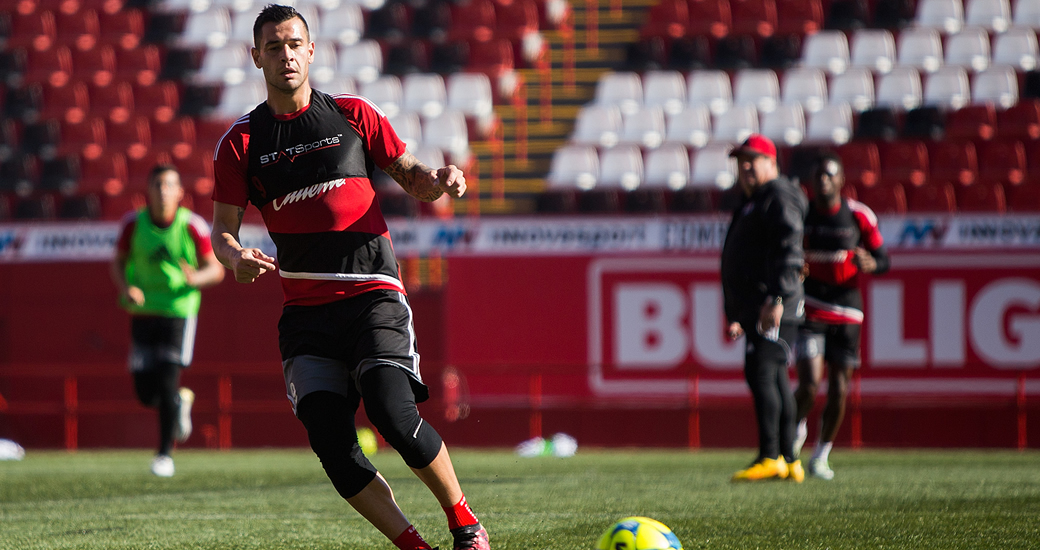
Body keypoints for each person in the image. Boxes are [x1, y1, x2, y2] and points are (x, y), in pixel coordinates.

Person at [209, 5, 488, 550]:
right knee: (333, 446)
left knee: (392, 413)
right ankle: (415, 547)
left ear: (311, 51)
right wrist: (234, 256)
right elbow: (222, 231)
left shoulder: (353, 114)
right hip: (306, 316)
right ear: (256, 57)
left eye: (294, 44)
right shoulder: (241, 143)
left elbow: (412, 176)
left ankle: (465, 524)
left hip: (372, 298)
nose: (286, 55)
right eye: (274, 46)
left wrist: (439, 178)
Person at [110, 164, 225, 477]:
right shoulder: (133, 224)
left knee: (166, 379)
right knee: (146, 393)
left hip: (178, 312)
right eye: (157, 185)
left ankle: (164, 455)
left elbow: (215, 269)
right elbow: (117, 263)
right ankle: (178, 401)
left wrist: (195, 278)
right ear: (147, 191)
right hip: (143, 311)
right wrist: (126, 287)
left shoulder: (191, 225)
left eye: (169, 185)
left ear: (180, 193)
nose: (163, 191)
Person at [793, 152, 889, 480]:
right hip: (810, 308)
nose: (824, 181)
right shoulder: (802, 214)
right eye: (819, 175)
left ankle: (821, 455)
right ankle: (795, 429)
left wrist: (872, 263)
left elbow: (883, 258)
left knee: (838, 388)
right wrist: (796, 268)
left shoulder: (859, 215)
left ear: (841, 180)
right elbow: (785, 254)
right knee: (809, 384)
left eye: (829, 175)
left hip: (847, 312)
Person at [720, 134, 808, 483]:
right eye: (741, 161)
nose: (744, 167)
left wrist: (777, 299)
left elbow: (789, 248)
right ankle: (789, 459)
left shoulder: (778, 195)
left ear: (772, 163)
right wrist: (739, 314)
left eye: (752, 160)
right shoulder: (756, 199)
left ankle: (771, 456)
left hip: (776, 304)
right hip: (763, 305)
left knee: (762, 373)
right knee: (773, 377)